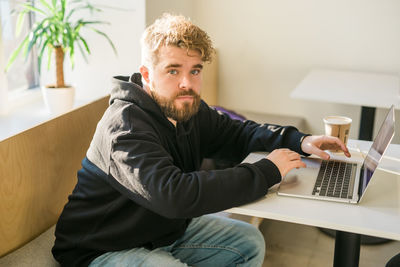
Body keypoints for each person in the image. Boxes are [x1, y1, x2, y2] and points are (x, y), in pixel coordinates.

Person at [52, 13, 351, 267]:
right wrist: (266, 171)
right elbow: (175, 195)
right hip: (103, 247)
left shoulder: (186, 108)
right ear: (146, 74)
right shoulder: (125, 127)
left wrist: (300, 140)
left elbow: (237, 133)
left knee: (248, 242)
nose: (187, 83)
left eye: (194, 71)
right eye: (173, 70)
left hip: (161, 231)